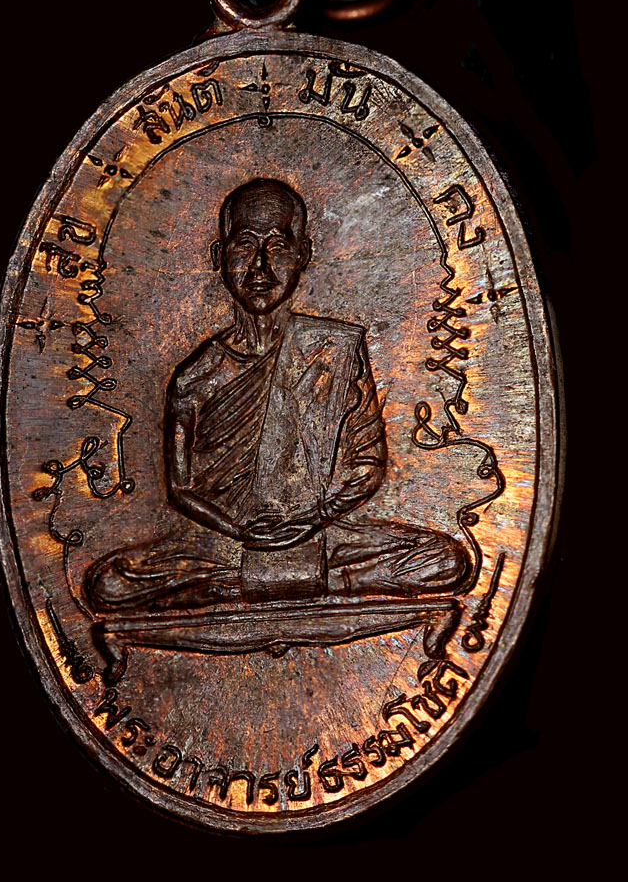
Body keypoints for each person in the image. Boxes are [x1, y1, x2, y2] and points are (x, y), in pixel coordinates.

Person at [86, 178, 468, 612]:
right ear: (218, 256)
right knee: (110, 583)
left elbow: (368, 466)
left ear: (303, 254)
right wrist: (238, 530)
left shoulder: (333, 349)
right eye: (245, 246)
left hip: (321, 532)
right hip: (226, 542)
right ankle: (302, 581)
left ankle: (262, 584)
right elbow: (181, 489)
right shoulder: (196, 376)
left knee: (446, 560)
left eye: (278, 247)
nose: (260, 268)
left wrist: (311, 520)